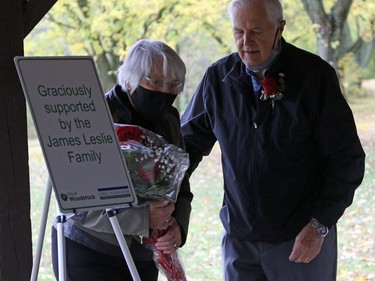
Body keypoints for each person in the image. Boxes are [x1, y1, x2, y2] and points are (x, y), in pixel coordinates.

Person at [181, 0, 365, 280]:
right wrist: (164, 198)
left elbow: (346, 159)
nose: (246, 42)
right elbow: (186, 147)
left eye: (256, 31)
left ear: (279, 29)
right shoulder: (218, 79)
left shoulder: (314, 77)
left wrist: (319, 225)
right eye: (238, 32)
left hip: (300, 240)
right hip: (240, 242)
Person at [51, 39, 193, 281]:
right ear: (128, 79)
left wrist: (177, 224)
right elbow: (77, 201)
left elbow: (180, 181)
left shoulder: (168, 118)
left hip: (144, 254)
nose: (164, 92)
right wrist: (142, 218)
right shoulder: (91, 117)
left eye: (173, 85)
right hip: (90, 251)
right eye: (155, 82)